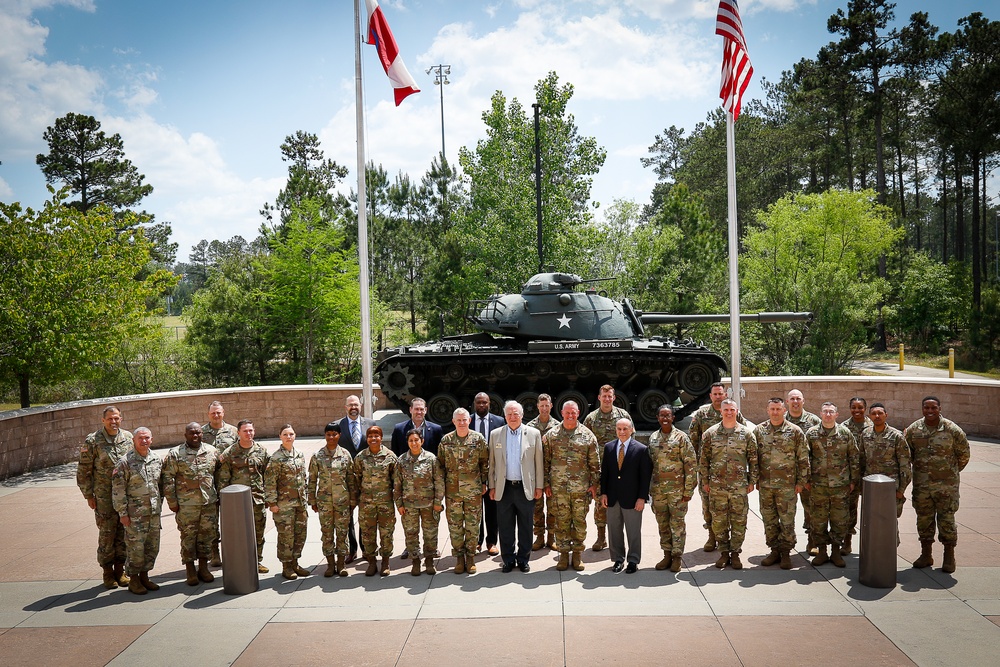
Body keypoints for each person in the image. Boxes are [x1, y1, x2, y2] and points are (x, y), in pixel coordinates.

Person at [904, 396, 970, 573]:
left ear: (940, 408)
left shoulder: (952, 429)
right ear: (922, 409)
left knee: (946, 519)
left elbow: (964, 454)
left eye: (934, 408)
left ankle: (949, 556)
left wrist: (950, 473)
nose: (930, 411)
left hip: (946, 487)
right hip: (922, 486)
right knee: (923, 520)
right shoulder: (913, 430)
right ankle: (926, 554)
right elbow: (906, 454)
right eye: (926, 408)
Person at [77, 405, 134, 589]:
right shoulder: (93, 441)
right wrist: (88, 495)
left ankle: (120, 570)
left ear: (121, 419)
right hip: (104, 497)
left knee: (123, 533)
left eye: (116, 418)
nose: (113, 421)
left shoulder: (128, 438)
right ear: (103, 420)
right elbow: (83, 471)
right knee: (107, 534)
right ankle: (108, 572)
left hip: (124, 496)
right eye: (110, 419)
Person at [699, 399, 758, 570]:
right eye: (726, 410)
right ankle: (724, 553)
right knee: (719, 522)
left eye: (732, 409)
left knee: (739, 521)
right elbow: (704, 460)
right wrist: (705, 482)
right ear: (721, 412)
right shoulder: (710, 433)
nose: (729, 412)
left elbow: (753, 460)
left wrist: (752, 481)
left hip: (739, 486)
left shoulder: (746, 434)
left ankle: (736, 553)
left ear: (737, 410)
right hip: (717, 486)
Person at [688, 383, 747, 552]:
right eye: (715, 394)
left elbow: (742, 432)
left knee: (731, 506)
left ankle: (730, 540)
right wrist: (699, 466)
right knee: (708, 504)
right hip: (710, 469)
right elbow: (693, 440)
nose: (718, 396)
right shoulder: (701, 414)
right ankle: (712, 536)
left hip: (733, 470)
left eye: (721, 393)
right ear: (710, 396)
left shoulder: (733, 411)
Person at [543, 400, 600, 572]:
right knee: (561, 523)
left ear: (578, 412)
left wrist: (595, 485)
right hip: (558, 489)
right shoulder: (551, 435)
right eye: (567, 412)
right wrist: (546, 483)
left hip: (580, 490)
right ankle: (563, 555)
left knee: (579, 523)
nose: (570, 415)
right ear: (561, 413)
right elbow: (545, 462)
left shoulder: (588, 436)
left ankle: (577, 555)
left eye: (573, 412)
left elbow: (595, 464)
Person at [162, 422, 221, 586]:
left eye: (198, 433)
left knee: (207, 536)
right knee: (188, 537)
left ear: (202, 433)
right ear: (185, 435)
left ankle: (203, 567)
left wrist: (219, 498)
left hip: (208, 502)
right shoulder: (175, 454)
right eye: (191, 433)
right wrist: (172, 502)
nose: (195, 436)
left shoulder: (212, 451)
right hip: (186, 505)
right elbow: (167, 479)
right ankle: (190, 569)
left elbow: (218, 475)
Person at [489, 401, 544, 573]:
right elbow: (492, 463)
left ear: (521, 415)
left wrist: (539, 486)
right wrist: (492, 486)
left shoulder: (533, 434)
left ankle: (523, 559)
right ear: (505, 416)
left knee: (526, 526)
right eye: (509, 414)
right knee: (505, 526)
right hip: (503, 488)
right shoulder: (496, 434)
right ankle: (508, 560)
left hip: (524, 488)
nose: (513, 417)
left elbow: (539, 463)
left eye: (516, 414)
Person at [754, 397, 809, 570]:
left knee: (787, 521)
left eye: (778, 409)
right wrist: (754, 480)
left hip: (787, 486)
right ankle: (774, 550)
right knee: (769, 520)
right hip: (766, 486)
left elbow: (803, 458)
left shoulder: (795, 431)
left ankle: (786, 553)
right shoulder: (759, 431)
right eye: (773, 409)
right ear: (767, 410)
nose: (776, 412)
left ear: (784, 410)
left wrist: (801, 482)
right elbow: (753, 458)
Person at [804, 403, 859, 568]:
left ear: (837, 414)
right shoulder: (812, 434)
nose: (828, 414)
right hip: (818, 486)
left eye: (831, 412)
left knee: (839, 520)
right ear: (820, 414)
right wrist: (806, 479)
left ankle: (836, 551)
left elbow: (853, 457)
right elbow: (805, 458)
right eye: (825, 412)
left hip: (840, 486)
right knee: (818, 520)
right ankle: (821, 551)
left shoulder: (845, 433)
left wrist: (853, 481)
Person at [111, 427, 164, 595]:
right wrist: (123, 513)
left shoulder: (156, 459)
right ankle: (134, 579)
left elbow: (159, 485)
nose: (144, 441)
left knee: (151, 547)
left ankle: (144, 576)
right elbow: (118, 490)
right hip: (135, 515)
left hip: (153, 513)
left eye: (147, 438)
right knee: (135, 548)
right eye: (140, 438)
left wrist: (159, 505)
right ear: (134, 440)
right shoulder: (124, 462)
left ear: (152, 439)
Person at [390, 397, 443, 559]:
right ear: (410, 410)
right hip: (408, 487)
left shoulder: (436, 429)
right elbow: (395, 454)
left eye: (422, 409)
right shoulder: (399, 429)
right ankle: (410, 548)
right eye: (416, 409)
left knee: (430, 524)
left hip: (428, 488)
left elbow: (439, 458)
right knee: (410, 524)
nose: (419, 412)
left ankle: (431, 549)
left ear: (426, 410)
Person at [437, 408, 489, 574]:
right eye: (458, 420)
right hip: (453, 493)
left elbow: (484, 463)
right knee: (455, 527)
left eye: (464, 420)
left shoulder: (478, 439)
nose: (461, 423)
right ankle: (459, 558)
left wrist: (483, 483)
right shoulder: (446, 441)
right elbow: (440, 466)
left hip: (473, 492)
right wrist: (442, 489)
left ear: (469, 421)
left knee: (473, 526)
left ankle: (471, 557)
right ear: (453, 422)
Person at [647, 405, 697, 573]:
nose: (665, 418)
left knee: (677, 524)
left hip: (677, 492)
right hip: (659, 491)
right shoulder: (653, 438)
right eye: (662, 416)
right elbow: (650, 465)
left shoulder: (681, 438)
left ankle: (677, 557)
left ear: (673, 418)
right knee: (662, 524)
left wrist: (688, 491)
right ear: (657, 418)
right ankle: (666, 554)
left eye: (668, 415)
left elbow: (691, 465)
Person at [218, 419, 271, 573]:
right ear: (238, 433)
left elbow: (268, 475)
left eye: (251, 430)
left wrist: (268, 497)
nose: (249, 433)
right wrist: (225, 502)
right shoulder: (230, 453)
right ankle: (240, 563)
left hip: (257, 499)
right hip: (237, 502)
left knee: (258, 532)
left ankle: (257, 561)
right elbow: (223, 479)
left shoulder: (262, 451)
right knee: (238, 534)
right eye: (245, 431)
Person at [600, 418, 652, 574]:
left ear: (632, 430)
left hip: (633, 499)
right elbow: (605, 474)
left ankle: (633, 560)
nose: (622, 432)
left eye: (625, 429)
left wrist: (642, 498)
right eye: (619, 429)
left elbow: (645, 477)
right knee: (614, 530)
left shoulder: (641, 449)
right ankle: (617, 559)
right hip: (612, 497)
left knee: (633, 531)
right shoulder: (609, 448)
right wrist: (603, 493)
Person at [583, 385, 631, 552]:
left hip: (620, 467)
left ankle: (617, 537)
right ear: (599, 398)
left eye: (610, 396)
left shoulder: (623, 416)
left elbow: (630, 442)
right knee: (600, 503)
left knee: (622, 502)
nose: (607, 399)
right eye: (604, 396)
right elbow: (585, 443)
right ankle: (601, 536)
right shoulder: (591, 418)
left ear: (614, 397)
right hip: (599, 469)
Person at [308, 422, 357, 577]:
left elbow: (351, 479)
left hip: (342, 502)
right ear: (325, 435)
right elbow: (312, 480)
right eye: (328, 434)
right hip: (324, 502)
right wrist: (312, 501)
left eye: (334, 434)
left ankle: (341, 564)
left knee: (342, 533)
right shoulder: (318, 456)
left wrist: (353, 500)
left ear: (339, 435)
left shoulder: (345, 455)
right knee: (327, 533)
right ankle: (330, 565)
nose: (331, 437)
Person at [394, 429, 444, 576]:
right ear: (407, 442)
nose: (414, 443)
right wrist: (399, 504)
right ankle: (415, 561)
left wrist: (437, 502)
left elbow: (439, 481)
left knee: (430, 533)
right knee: (411, 534)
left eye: (416, 440)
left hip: (429, 505)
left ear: (421, 441)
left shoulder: (431, 459)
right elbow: (397, 485)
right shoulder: (401, 460)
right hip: (409, 506)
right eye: (411, 441)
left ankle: (429, 560)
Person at [265, 424, 310, 580]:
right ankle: (286, 566)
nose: (288, 437)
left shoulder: (299, 455)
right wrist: (272, 503)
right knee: (286, 536)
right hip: (284, 505)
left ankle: (295, 563)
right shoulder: (276, 458)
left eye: (291, 434)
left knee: (300, 534)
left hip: (300, 503)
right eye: (285, 434)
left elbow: (304, 478)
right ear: (280, 437)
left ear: (295, 435)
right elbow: (270, 482)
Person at [354, 425, 398, 576]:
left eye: (376, 435)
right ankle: (372, 562)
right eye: (370, 436)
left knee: (386, 533)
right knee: (367, 534)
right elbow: (356, 479)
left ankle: (385, 562)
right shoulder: (360, 457)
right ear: (367, 439)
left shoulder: (390, 456)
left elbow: (396, 481)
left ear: (381, 437)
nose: (373, 438)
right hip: (367, 504)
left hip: (385, 503)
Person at [338, 394, 375, 563]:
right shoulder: (338, 425)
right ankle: (351, 550)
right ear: (346, 407)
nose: (353, 407)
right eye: (350, 405)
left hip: (366, 478)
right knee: (347, 516)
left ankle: (366, 548)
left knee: (365, 515)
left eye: (356, 405)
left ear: (360, 406)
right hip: (345, 479)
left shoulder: (371, 424)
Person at [785, 388, 822, 555]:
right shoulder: (781, 419)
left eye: (798, 398)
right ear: (787, 402)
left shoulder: (813, 420)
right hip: (785, 476)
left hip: (808, 475)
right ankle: (784, 544)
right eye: (792, 399)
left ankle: (812, 541)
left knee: (811, 509)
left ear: (803, 401)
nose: (795, 401)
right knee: (785, 510)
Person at [859, 403, 911, 521]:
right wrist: (861, 485)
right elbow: (861, 461)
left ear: (886, 415)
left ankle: (893, 540)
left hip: (891, 487)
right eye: (873, 414)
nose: (877, 416)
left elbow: (905, 465)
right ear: (869, 416)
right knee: (871, 520)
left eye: (880, 413)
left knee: (890, 521)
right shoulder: (865, 434)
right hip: (870, 485)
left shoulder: (896, 436)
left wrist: (901, 490)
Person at [202, 401, 239, 567]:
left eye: (218, 412)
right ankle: (214, 551)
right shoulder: (201, 433)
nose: (216, 416)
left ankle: (233, 551)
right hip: (209, 483)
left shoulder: (233, 432)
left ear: (223, 412)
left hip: (230, 482)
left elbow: (240, 451)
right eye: (213, 413)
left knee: (231, 519)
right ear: (208, 414)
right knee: (211, 520)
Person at [471, 392, 505, 556]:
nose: (482, 406)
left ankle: (492, 542)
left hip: (493, 474)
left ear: (489, 403)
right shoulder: (467, 421)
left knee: (492, 510)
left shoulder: (499, 421)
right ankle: (477, 541)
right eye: (479, 403)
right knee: (476, 510)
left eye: (485, 403)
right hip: (474, 475)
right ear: (474, 404)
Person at [526, 393, 560, 550]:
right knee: (537, 507)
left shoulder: (558, 426)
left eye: (547, 405)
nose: (545, 408)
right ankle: (539, 537)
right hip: (536, 472)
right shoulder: (530, 427)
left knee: (553, 507)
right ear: (537, 407)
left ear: (551, 406)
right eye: (542, 406)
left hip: (553, 473)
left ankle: (551, 537)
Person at [839, 396, 872, 555]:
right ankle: (847, 542)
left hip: (870, 475)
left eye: (860, 407)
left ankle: (872, 543)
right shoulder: (844, 427)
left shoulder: (873, 425)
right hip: (851, 476)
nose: (857, 410)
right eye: (854, 407)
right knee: (849, 509)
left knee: (872, 510)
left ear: (865, 408)